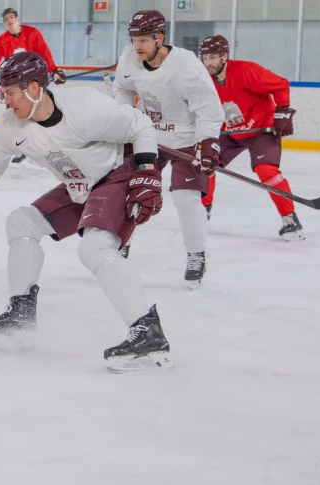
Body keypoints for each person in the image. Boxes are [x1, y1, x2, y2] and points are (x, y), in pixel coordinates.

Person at [0, 51, 172, 373]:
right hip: (82, 183)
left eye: (10, 92)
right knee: (22, 222)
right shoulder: (11, 126)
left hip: (117, 174)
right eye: (3, 92)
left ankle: (149, 335)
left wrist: (146, 172)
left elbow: (140, 127)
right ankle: (20, 316)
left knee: (95, 246)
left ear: (33, 88)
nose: (5, 101)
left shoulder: (85, 108)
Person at [111, 10, 225, 290]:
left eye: (144, 40)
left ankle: (196, 255)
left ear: (159, 38)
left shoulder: (186, 65)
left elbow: (209, 109)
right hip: (149, 136)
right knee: (132, 190)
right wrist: (127, 119)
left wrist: (207, 143)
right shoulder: (129, 58)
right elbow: (123, 89)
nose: (137, 45)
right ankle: (120, 244)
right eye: (134, 39)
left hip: (187, 139)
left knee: (187, 199)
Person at [199, 34, 303, 240]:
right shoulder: (203, 80)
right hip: (229, 132)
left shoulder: (247, 71)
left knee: (267, 171)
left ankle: (290, 218)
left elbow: (280, 84)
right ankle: (203, 211)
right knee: (205, 162)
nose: (208, 63)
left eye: (213, 57)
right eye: (205, 58)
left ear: (224, 56)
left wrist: (282, 110)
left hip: (262, 130)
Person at [0, 7, 63, 164]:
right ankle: (21, 148)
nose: (9, 21)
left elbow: (44, 53)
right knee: (17, 116)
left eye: (11, 17)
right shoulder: (0, 40)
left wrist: (54, 70)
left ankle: (42, 147)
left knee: (39, 112)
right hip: (14, 86)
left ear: (17, 18)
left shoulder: (33, 33)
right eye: (6, 19)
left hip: (32, 83)